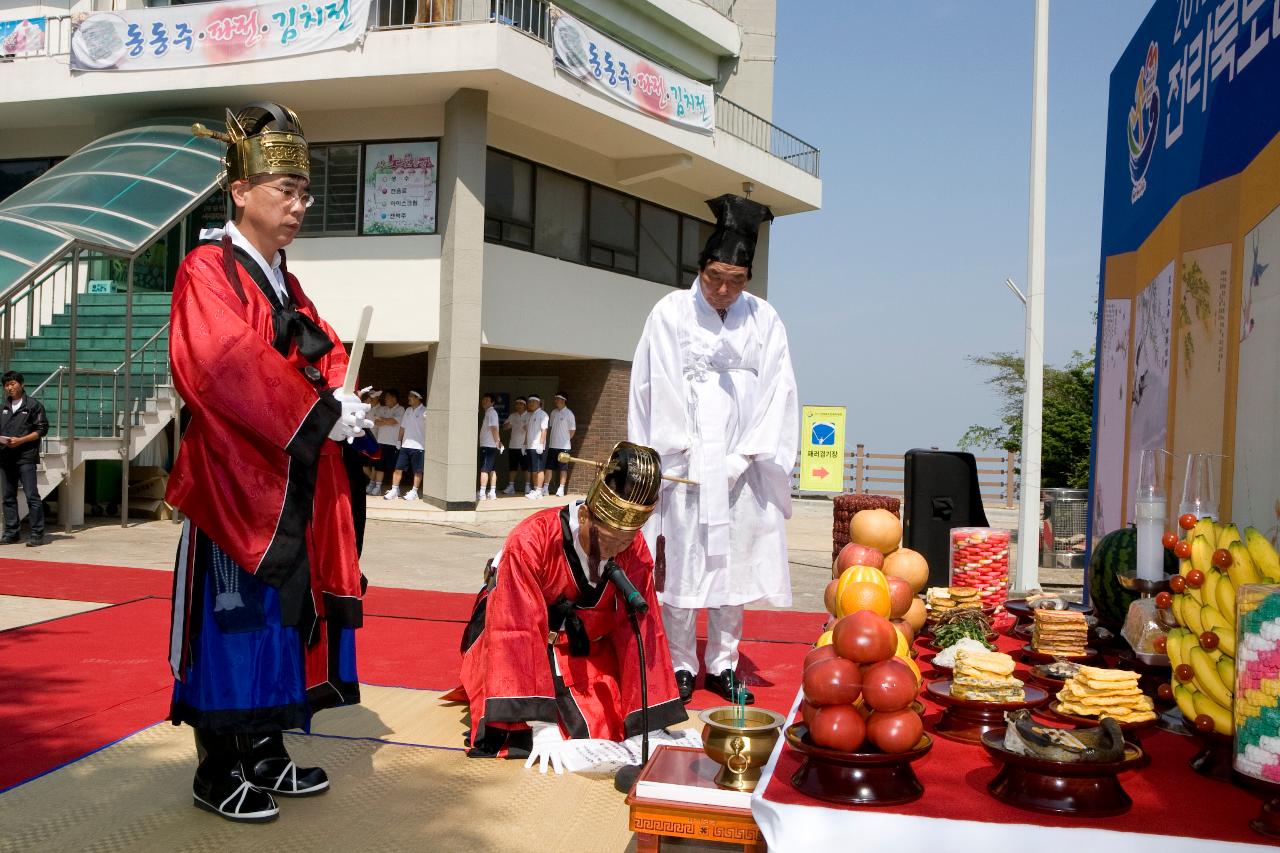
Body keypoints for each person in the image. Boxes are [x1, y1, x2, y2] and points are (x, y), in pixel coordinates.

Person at [167, 102, 374, 823]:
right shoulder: (207, 268)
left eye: (304, 192)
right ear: (240, 191)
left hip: (279, 479)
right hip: (230, 483)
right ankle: (215, 765)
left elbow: (317, 345)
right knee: (231, 622)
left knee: (283, 616)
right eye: (284, 189)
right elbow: (223, 366)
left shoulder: (282, 277)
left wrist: (337, 393)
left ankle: (262, 750)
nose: (298, 205)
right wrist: (318, 411)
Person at [628, 194, 798, 706]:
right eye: (715, 278)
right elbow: (650, 384)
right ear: (700, 269)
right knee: (680, 563)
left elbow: (778, 390)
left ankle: (722, 662)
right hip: (684, 465)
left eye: (737, 281)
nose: (724, 290)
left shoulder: (764, 318)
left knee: (732, 566)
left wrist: (745, 456)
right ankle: (681, 663)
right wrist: (672, 454)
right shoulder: (670, 312)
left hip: (743, 467)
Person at [456, 441, 687, 771]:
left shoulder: (633, 551)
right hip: (513, 644)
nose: (617, 550)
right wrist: (541, 726)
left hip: (583, 647)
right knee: (536, 734)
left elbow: (641, 635)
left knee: (609, 725)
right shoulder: (532, 540)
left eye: (627, 539)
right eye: (609, 539)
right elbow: (514, 629)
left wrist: (646, 722)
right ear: (584, 515)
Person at [0, 371, 49, 547]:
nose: (9, 387)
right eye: (6, 385)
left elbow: (41, 429)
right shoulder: (3, 407)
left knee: (31, 496)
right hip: (5, 457)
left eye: (12, 383)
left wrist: (20, 440)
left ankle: (37, 534)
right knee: (8, 497)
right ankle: (12, 532)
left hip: (25, 457)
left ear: (21, 384)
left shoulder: (33, 405)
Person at [384, 389, 425, 501]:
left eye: (411, 396)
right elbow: (403, 427)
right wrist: (399, 441)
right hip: (405, 445)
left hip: (419, 446)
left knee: (417, 471)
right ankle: (394, 490)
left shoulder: (425, 412)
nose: (408, 398)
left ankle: (414, 491)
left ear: (418, 398)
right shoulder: (407, 410)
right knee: (398, 468)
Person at [368, 388, 404, 496]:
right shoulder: (382, 408)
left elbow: (393, 421)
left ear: (394, 398)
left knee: (394, 466)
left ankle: (395, 488)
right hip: (381, 441)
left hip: (393, 443)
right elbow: (377, 423)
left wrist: (384, 420)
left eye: (387, 397)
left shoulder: (401, 409)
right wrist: (386, 420)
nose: (385, 399)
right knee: (380, 466)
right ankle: (378, 487)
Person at [547, 392, 576, 498]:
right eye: (555, 399)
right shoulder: (553, 412)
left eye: (557, 399)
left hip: (564, 447)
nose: (555, 401)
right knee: (549, 467)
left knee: (563, 468)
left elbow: (572, 430)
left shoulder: (569, 414)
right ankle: (545, 487)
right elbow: (551, 428)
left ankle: (561, 488)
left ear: (563, 400)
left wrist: (565, 440)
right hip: (552, 445)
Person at [502, 397, 530, 495]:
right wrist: (509, 424)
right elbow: (505, 427)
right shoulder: (512, 416)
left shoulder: (529, 416)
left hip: (524, 446)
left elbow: (532, 430)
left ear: (524, 405)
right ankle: (511, 487)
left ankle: (527, 486)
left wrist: (527, 428)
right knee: (512, 467)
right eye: (516, 404)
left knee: (525, 467)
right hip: (513, 445)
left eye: (520, 404)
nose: (517, 405)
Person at [477, 392, 502, 502]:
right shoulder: (490, 412)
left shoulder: (491, 413)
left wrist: (497, 442)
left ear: (492, 402)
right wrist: (499, 442)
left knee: (484, 469)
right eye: (483, 399)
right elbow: (495, 429)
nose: (484, 401)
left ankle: (482, 493)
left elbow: (494, 428)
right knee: (491, 469)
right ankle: (492, 492)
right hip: (489, 445)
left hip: (488, 445)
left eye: (487, 400)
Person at [524, 395, 550, 499]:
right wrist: (524, 444)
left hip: (537, 447)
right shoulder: (530, 415)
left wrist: (541, 444)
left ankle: (539, 491)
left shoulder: (543, 415)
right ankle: (535, 489)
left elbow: (544, 430)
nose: (531, 404)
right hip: (530, 446)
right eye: (529, 402)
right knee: (533, 470)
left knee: (539, 469)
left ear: (539, 403)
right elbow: (528, 432)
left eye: (533, 402)